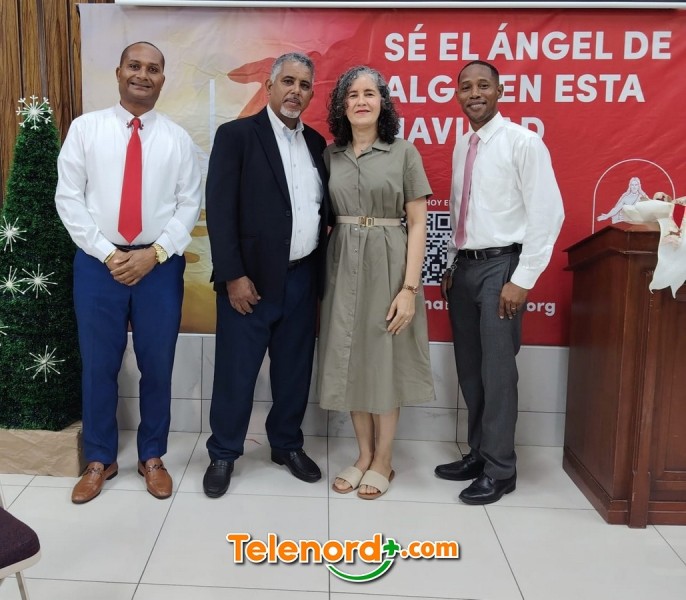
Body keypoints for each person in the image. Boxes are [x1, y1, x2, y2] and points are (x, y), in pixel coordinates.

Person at [55, 42, 202, 503]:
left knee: (158, 365)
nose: (143, 74)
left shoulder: (177, 139)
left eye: (153, 69)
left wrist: (154, 253)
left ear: (163, 80)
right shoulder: (86, 129)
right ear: (118, 73)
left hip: (158, 267)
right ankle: (99, 458)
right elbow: (68, 198)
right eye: (134, 66)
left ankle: (152, 455)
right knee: (99, 365)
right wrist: (107, 253)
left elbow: (189, 204)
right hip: (99, 266)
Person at [434, 60, 564, 505]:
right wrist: (450, 264)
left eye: (483, 86)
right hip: (465, 269)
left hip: (502, 268)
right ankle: (478, 454)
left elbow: (548, 214)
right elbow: (461, 212)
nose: (474, 94)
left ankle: (500, 469)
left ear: (500, 91)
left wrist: (522, 279)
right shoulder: (462, 145)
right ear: (457, 95)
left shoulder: (523, 142)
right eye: (466, 87)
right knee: (471, 371)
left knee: (498, 373)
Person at [203, 52, 329, 497]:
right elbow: (220, 210)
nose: (296, 91)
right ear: (270, 86)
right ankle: (223, 452)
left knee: (294, 372)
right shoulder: (237, 136)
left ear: (311, 94)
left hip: (302, 278)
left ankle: (286, 445)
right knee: (236, 372)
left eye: (304, 85)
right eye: (288, 81)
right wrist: (233, 275)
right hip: (249, 283)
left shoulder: (316, 144)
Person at [317, 66, 434, 500]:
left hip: (388, 260)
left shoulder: (403, 152)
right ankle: (363, 453)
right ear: (342, 105)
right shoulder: (330, 155)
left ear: (382, 103)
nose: (361, 101)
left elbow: (418, 222)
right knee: (349, 355)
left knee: (384, 359)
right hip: (342, 260)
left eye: (370, 93)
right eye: (352, 94)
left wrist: (409, 288)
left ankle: (384, 458)